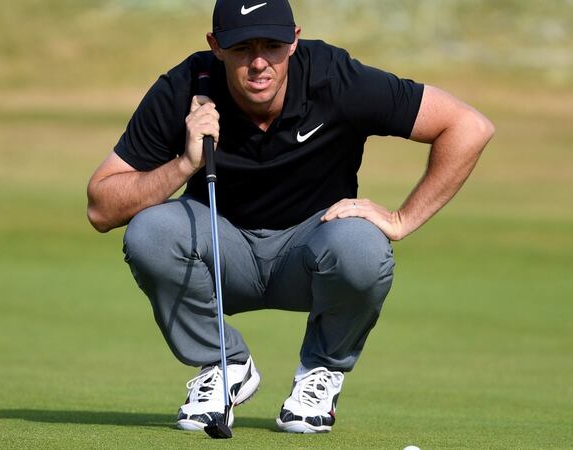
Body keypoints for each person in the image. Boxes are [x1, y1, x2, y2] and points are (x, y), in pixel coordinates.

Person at [86, 0, 494, 434]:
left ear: (295, 40)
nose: (259, 63)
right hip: (223, 256)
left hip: (312, 251)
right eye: (242, 48)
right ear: (216, 46)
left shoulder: (335, 78)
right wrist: (183, 164)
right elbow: (100, 207)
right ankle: (223, 364)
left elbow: (468, 126)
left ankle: (320, 372)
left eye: (273, 46)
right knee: (151, 231)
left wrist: (402, 219)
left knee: (362, 243)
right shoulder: (185, 86)